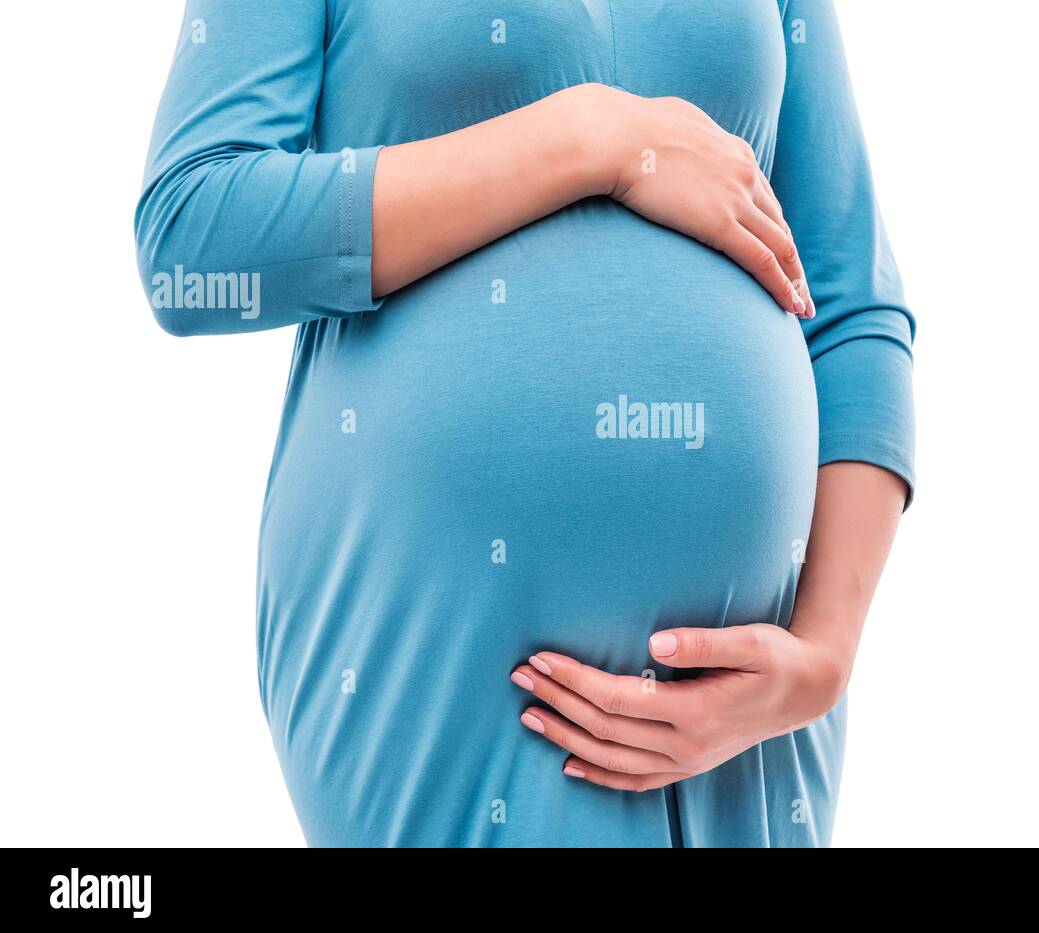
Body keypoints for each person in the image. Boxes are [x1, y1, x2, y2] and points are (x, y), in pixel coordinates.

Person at [135, 0, 915, 847]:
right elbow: (195, 233)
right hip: (439, 645)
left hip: (747, 712)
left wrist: (822, 660)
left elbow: (850, 310)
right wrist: (593, 140)